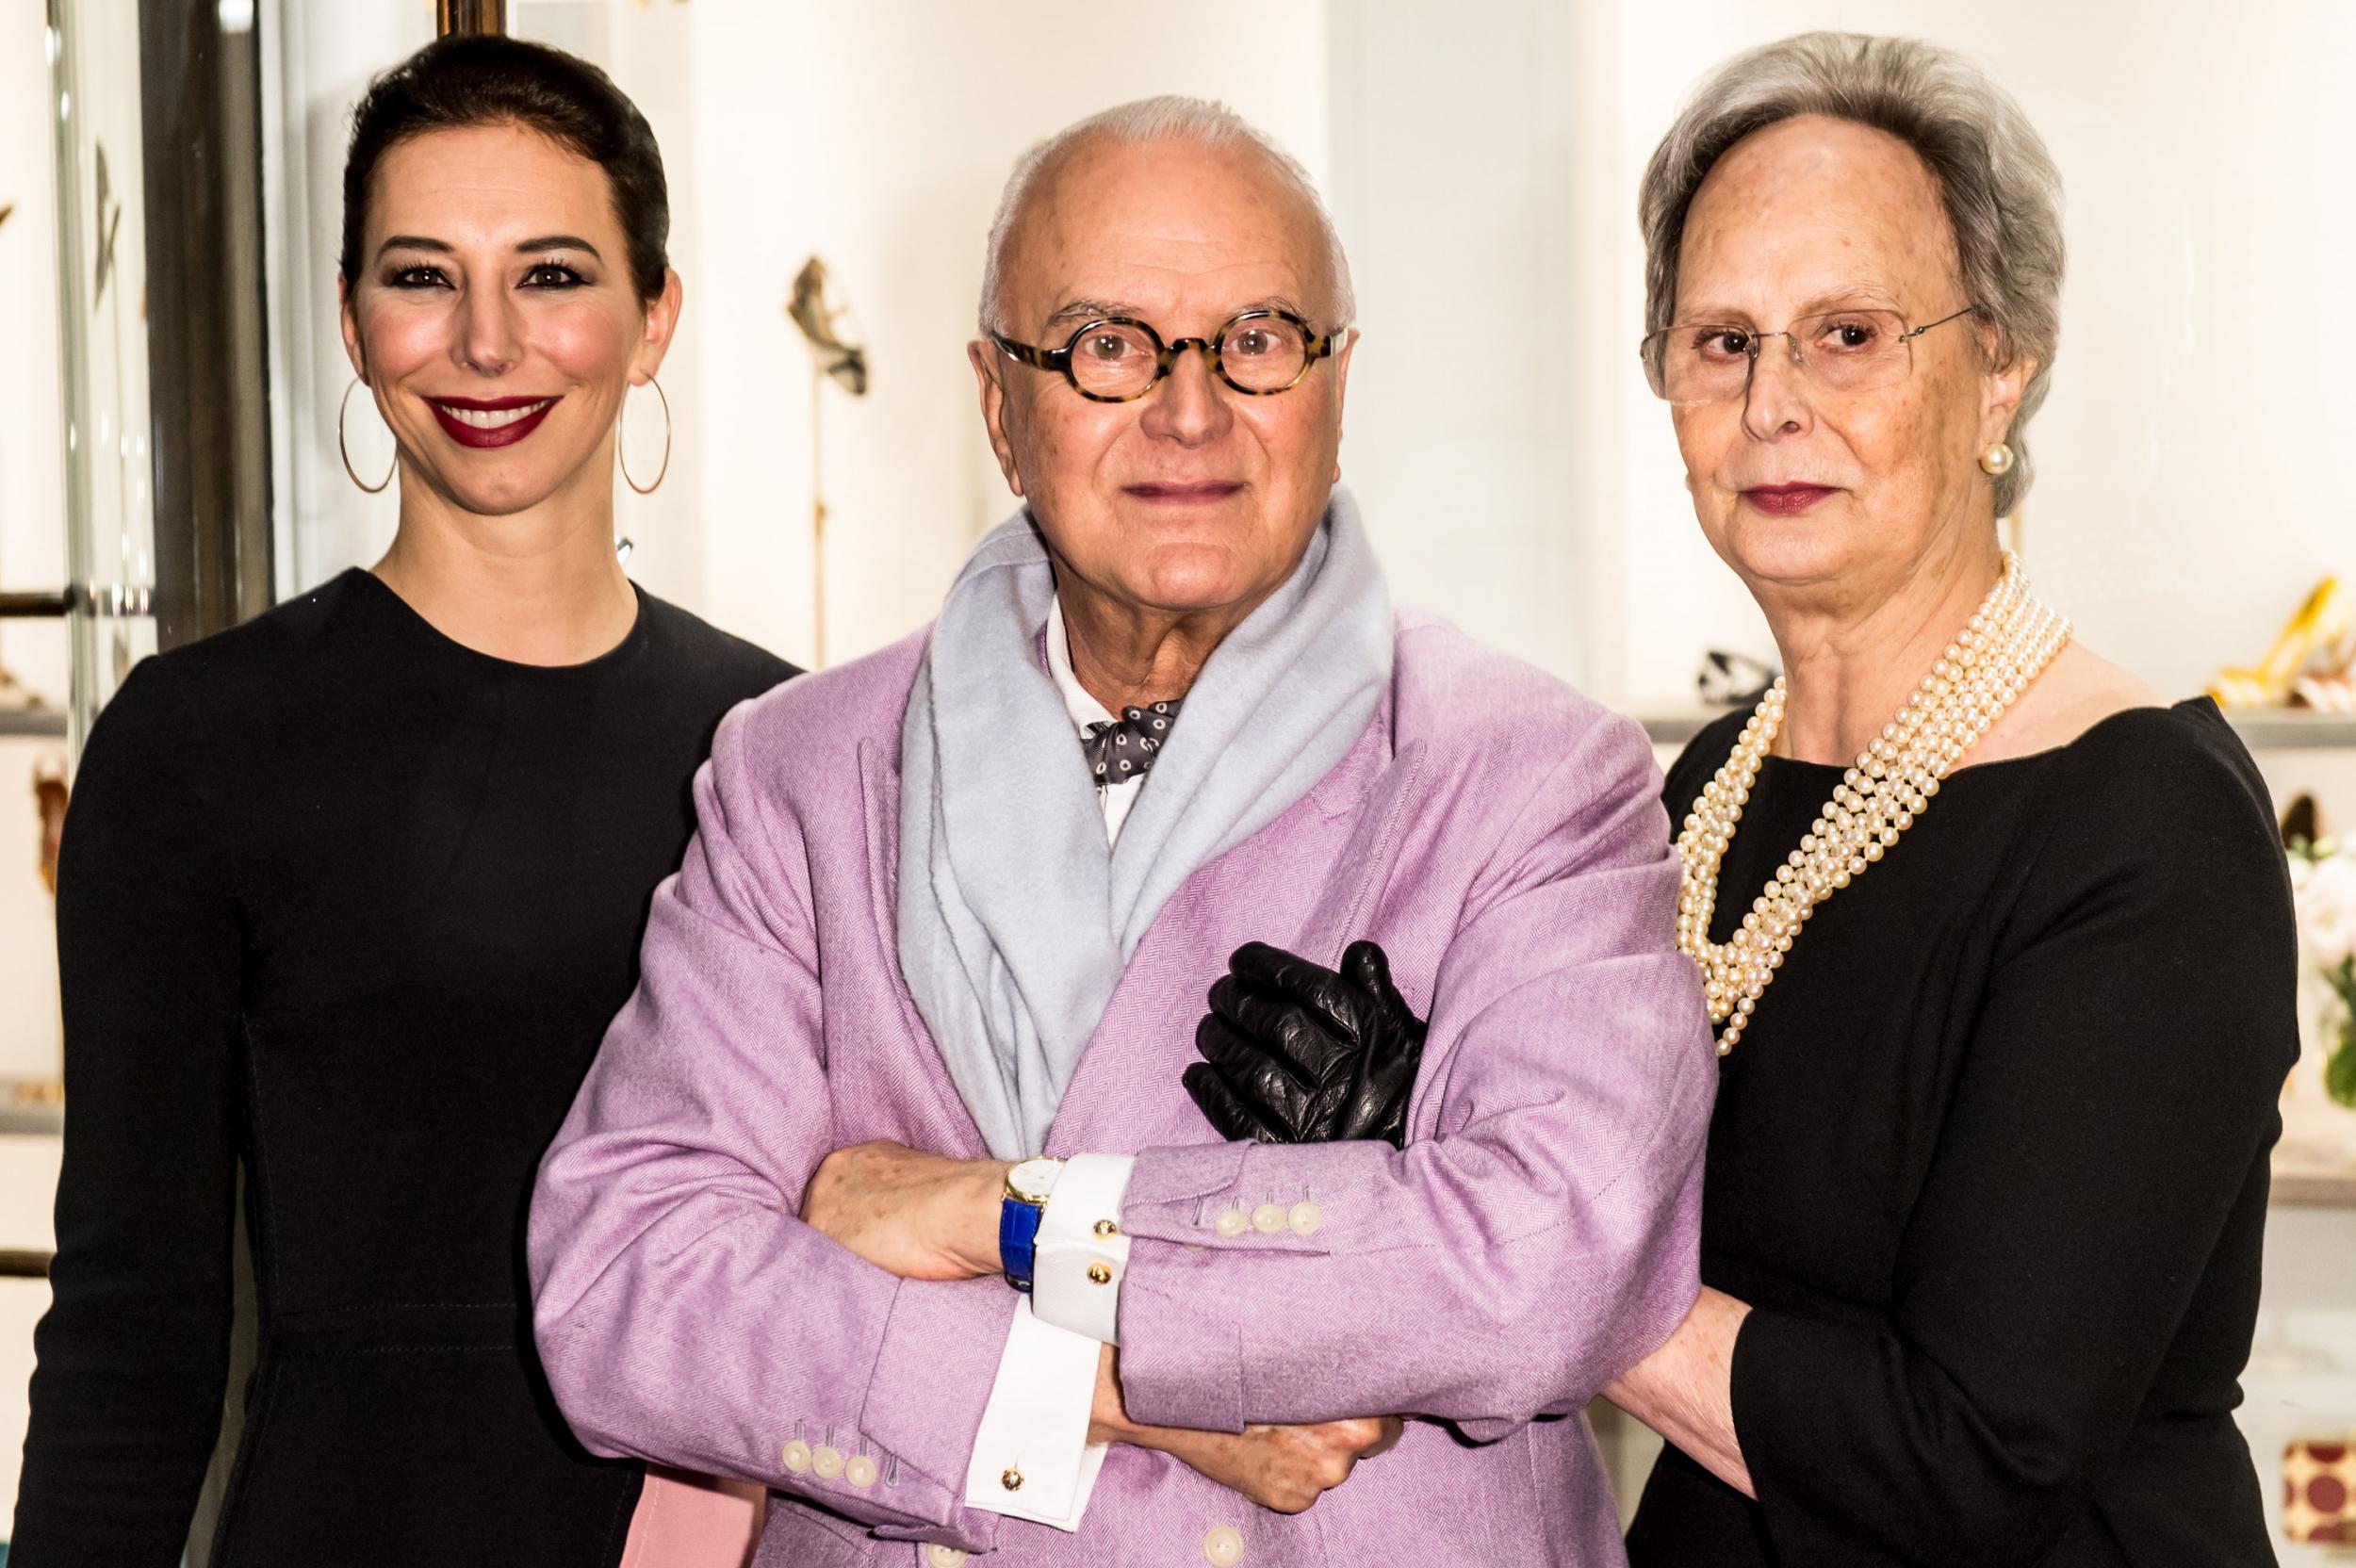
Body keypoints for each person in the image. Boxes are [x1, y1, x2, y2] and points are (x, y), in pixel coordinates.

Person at [527, 96, 1717, 1567]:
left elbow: (1545, 1262)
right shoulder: (801, 771)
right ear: (997, 401)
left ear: (1338, 385)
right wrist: (1093, 1391)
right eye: (1108, 344)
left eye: (1259, 339)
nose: (1190, 409)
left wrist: (991, 1217)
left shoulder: (1531, 775)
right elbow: (626, 1283)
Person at [1191, 31, 2299, 1567]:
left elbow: (1969, 1458)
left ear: (2002, 371)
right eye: (1721, 339)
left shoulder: (2143, 825)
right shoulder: (1714, 783)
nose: (1773, 402)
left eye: (1847, 332)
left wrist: (1457, 1197)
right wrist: (1441, 1126)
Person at [12, 35, 792, 1568]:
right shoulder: (200, 742)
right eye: (422, 276)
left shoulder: (783, 742)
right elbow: (131, 1321)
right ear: (356, 329)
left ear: (654, 321)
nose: (486, 343)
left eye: (555, 274)